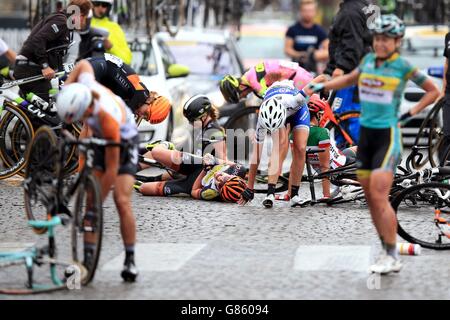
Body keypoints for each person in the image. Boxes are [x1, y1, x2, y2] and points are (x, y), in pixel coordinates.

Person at [306, 15, 440, 274]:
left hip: (387, 138)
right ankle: (387, 250)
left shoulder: (402, 66)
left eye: (386, 40)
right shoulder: (367, 61)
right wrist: (322, 83)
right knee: (371, 198)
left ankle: (391, 255)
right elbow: (349, 80)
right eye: (377, 39)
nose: (380, 44)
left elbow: (433, 91)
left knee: (379, 197)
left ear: (397, 41)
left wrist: (411, 114)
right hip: (365, 138)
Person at [57, 59, 140, 282]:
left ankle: (130, 259)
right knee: (91, 196)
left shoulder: (107, 118)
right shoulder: (85, 88)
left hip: (124, 141)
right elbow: (83, 64)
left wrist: (96, 206)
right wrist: (67, 86)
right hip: (99, 135)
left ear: (88, 109)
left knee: (121, 200)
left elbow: (112, 170)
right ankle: (86, 262)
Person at [238, 80, 310, 208]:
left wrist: (324, 88)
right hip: (274, 108)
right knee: (279, 145)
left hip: (297, 109)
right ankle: (270, 194)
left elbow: (319, 79)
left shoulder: (295, 100)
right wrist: (250, 188)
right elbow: (256, 155)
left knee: (300, 147)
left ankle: (294, 195)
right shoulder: (261, 119)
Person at [14, 0, 92, 102]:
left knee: (44, 106)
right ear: (80, 15)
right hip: (30, 68)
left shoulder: (64, 21)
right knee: (45, 111)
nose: (84, 22)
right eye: (85, 19)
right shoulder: (61, 21)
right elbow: (38, 39)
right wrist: (45, 66)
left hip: (31, 68)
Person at [137, 95, 226, 182]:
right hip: (196, 167)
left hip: (201, 172)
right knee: (158, 151)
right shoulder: (202, 128)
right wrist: (154, 179)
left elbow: (224, 162)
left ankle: (129, 171)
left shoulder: (214, 131)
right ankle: (136, 172)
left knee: (158, 152)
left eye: (192, 120)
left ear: (204, 116)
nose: (191, 123)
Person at [134, 146, 247, 203]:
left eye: (219, 183)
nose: (219, 177)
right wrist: (213, 161)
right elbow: (225, 162)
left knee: (144, 189)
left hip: (190, 184)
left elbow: (193, 191)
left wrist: (204, 171)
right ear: (232, 176)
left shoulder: (210, 193)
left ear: (220, 192)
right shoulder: (239, 169)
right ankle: (167, 145)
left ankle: (133, 181)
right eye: (225, 177)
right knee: (156, 153)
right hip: (197, 165)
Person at [220, 60, 317, 104]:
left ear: (241, 87)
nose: (245, 96)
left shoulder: (252, 81)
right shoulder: (250, 74)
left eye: (242, 95)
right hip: (297, 75)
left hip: (298, 79)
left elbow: (268, 95)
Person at [324, 0, 372, 78]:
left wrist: (341, 68)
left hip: (348, 73)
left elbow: (353, 43)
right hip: (364, 68)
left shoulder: (350, 11)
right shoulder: (365, 5)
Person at [284, 0, 329, 73]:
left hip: (313, 71)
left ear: (315, 12)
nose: (308, 13)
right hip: (295, 71)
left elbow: (328, 51)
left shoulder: (320, 30)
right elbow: (287, 49)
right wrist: (300, 55)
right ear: (300, 11)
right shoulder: (292, 29)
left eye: (310, 11)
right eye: (305, 11)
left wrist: (313, 55)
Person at [91, 0, 132, 65]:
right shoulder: (84, 24)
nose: (100, 7)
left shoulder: (115, 28)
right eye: (97, 4)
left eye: (104, 5)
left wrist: (111, 48)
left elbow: (127, 59)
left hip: (105, 71)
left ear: (108, 8)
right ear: (92, 5)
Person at [438, 32, 450, 164]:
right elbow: (447, 62)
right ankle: (444, 171)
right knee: (447, 134)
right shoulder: (448, 36)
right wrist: (443, 90)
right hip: (449, 92)